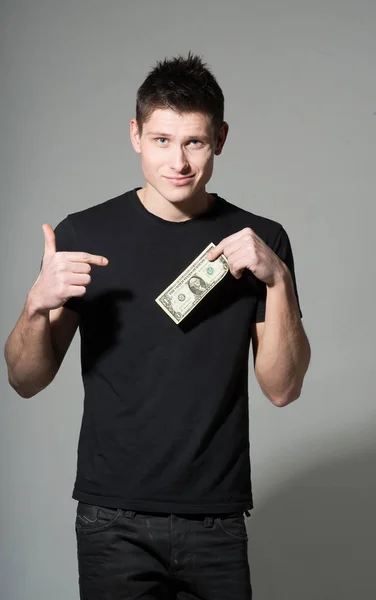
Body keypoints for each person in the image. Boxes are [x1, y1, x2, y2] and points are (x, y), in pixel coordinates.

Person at [4, 52, 311, 600]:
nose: (179, 162)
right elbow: (25, 380)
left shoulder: (260, 241)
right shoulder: (85, 231)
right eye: (162, 140)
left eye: (194, 141)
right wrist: (35, 306)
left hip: (215, 520)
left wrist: (279, 281)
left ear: (220, 137)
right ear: (135, 135)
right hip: (111, 520)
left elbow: (283, 389)